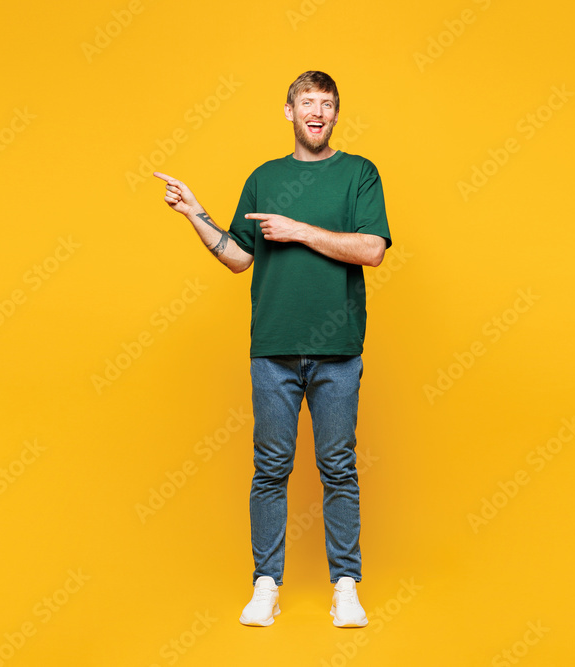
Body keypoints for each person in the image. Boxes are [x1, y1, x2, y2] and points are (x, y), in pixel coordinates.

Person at [154, 70, 391, 628]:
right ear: (289, 112)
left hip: (338, 349)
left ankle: (346, 586)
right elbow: (239, 256)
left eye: (326, 104)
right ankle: (266, 585)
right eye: (307, 102)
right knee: (270, 468)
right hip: (273, 350)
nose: (317, 111)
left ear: (335, 114)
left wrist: (300, 229)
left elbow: (373, 249)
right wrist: (195, 213)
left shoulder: (359, 173)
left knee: (338, 468)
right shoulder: (264, 177)